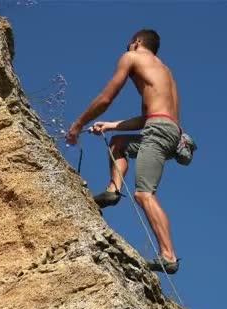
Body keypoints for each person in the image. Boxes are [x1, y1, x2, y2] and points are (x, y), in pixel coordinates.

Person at [66, 29, 182, 274]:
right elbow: (150, 118)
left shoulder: (132, 57)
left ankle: (169, 256)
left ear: (136, 42)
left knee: (144, 194)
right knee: (118, 142)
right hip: (168, 130)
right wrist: (109, 125)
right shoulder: (164, 71)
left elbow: (106, 98)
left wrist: (78, 125)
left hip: (158, 132)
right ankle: (113, 191)